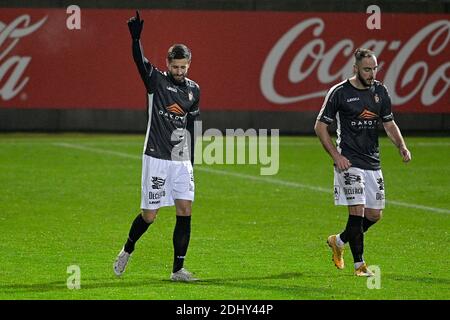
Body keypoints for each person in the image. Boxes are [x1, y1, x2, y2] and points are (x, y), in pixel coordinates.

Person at [113, 11, 201, 282]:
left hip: (180, 160)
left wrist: (192, 159)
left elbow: (192, 126)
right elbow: (140, 61)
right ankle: (127, 249)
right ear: (168, 64)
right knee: (149, 216)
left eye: (183, 67)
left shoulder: (194, 90)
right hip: (156, 157)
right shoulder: (156, 81)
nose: (179, 71)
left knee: (185, 210)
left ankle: (177, 270)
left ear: (188, 65)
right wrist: (136, 38)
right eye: (175, 66)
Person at [314, 48, 411, 277]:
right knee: (356, 212)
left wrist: (402, 146)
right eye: (367, 69)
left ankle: (338, 241)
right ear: (355, 68)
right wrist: (337, 157)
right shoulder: (339, 92)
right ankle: (360, 266)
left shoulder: (380, 91)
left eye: (375, 68)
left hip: (372, 162)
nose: (372, 73)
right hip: (349, 161)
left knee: (374, 215)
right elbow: (320, 127)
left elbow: (389, 123)